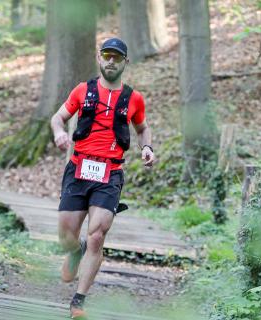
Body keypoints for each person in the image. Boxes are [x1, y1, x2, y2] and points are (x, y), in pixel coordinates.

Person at [50, 38, 155, 319]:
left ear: (125, 62)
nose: (111, 61)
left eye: (117, 57)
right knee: (66, 236)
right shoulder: (83, 90)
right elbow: (57, 118)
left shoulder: (134, 98)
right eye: (107, 55)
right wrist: (59, 133)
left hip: (110, 173)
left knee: (97, 235)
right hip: (79, 168)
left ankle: (78, 302)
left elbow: (143, 128)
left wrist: (147, 147)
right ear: (99, 58)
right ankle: (75, 251)